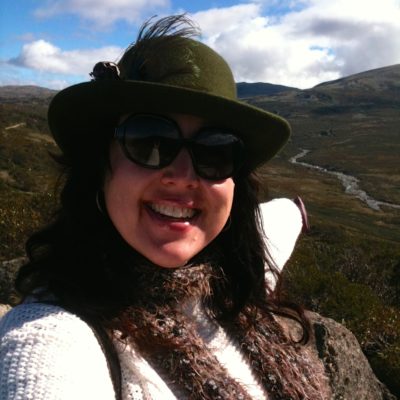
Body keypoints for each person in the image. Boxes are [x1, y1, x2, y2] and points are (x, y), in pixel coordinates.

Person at [0, 15, 330, 400]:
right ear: (99, 167)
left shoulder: (231, 279)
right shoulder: (54, 334)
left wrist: (296, 211)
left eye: (215, 151)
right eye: (149, 141)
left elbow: (273, 227)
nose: (184, 176)